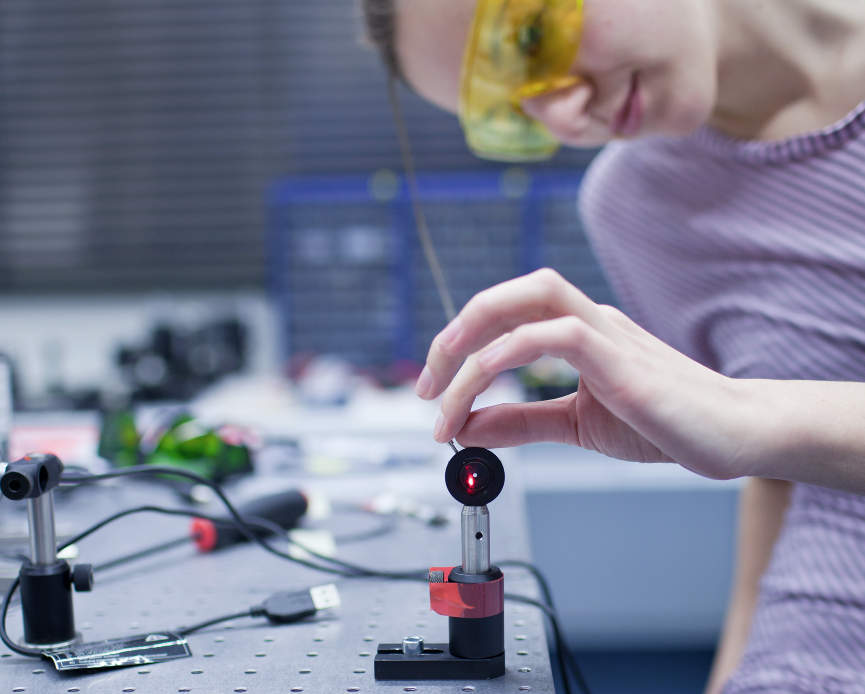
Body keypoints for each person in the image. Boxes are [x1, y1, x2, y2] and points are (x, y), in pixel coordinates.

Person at [362, 1, 865, 692]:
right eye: (513, 109)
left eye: (532, 38)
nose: (566, 118)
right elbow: (779, 478)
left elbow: (763, 434)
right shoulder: (637, 205)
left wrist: (752, 415)